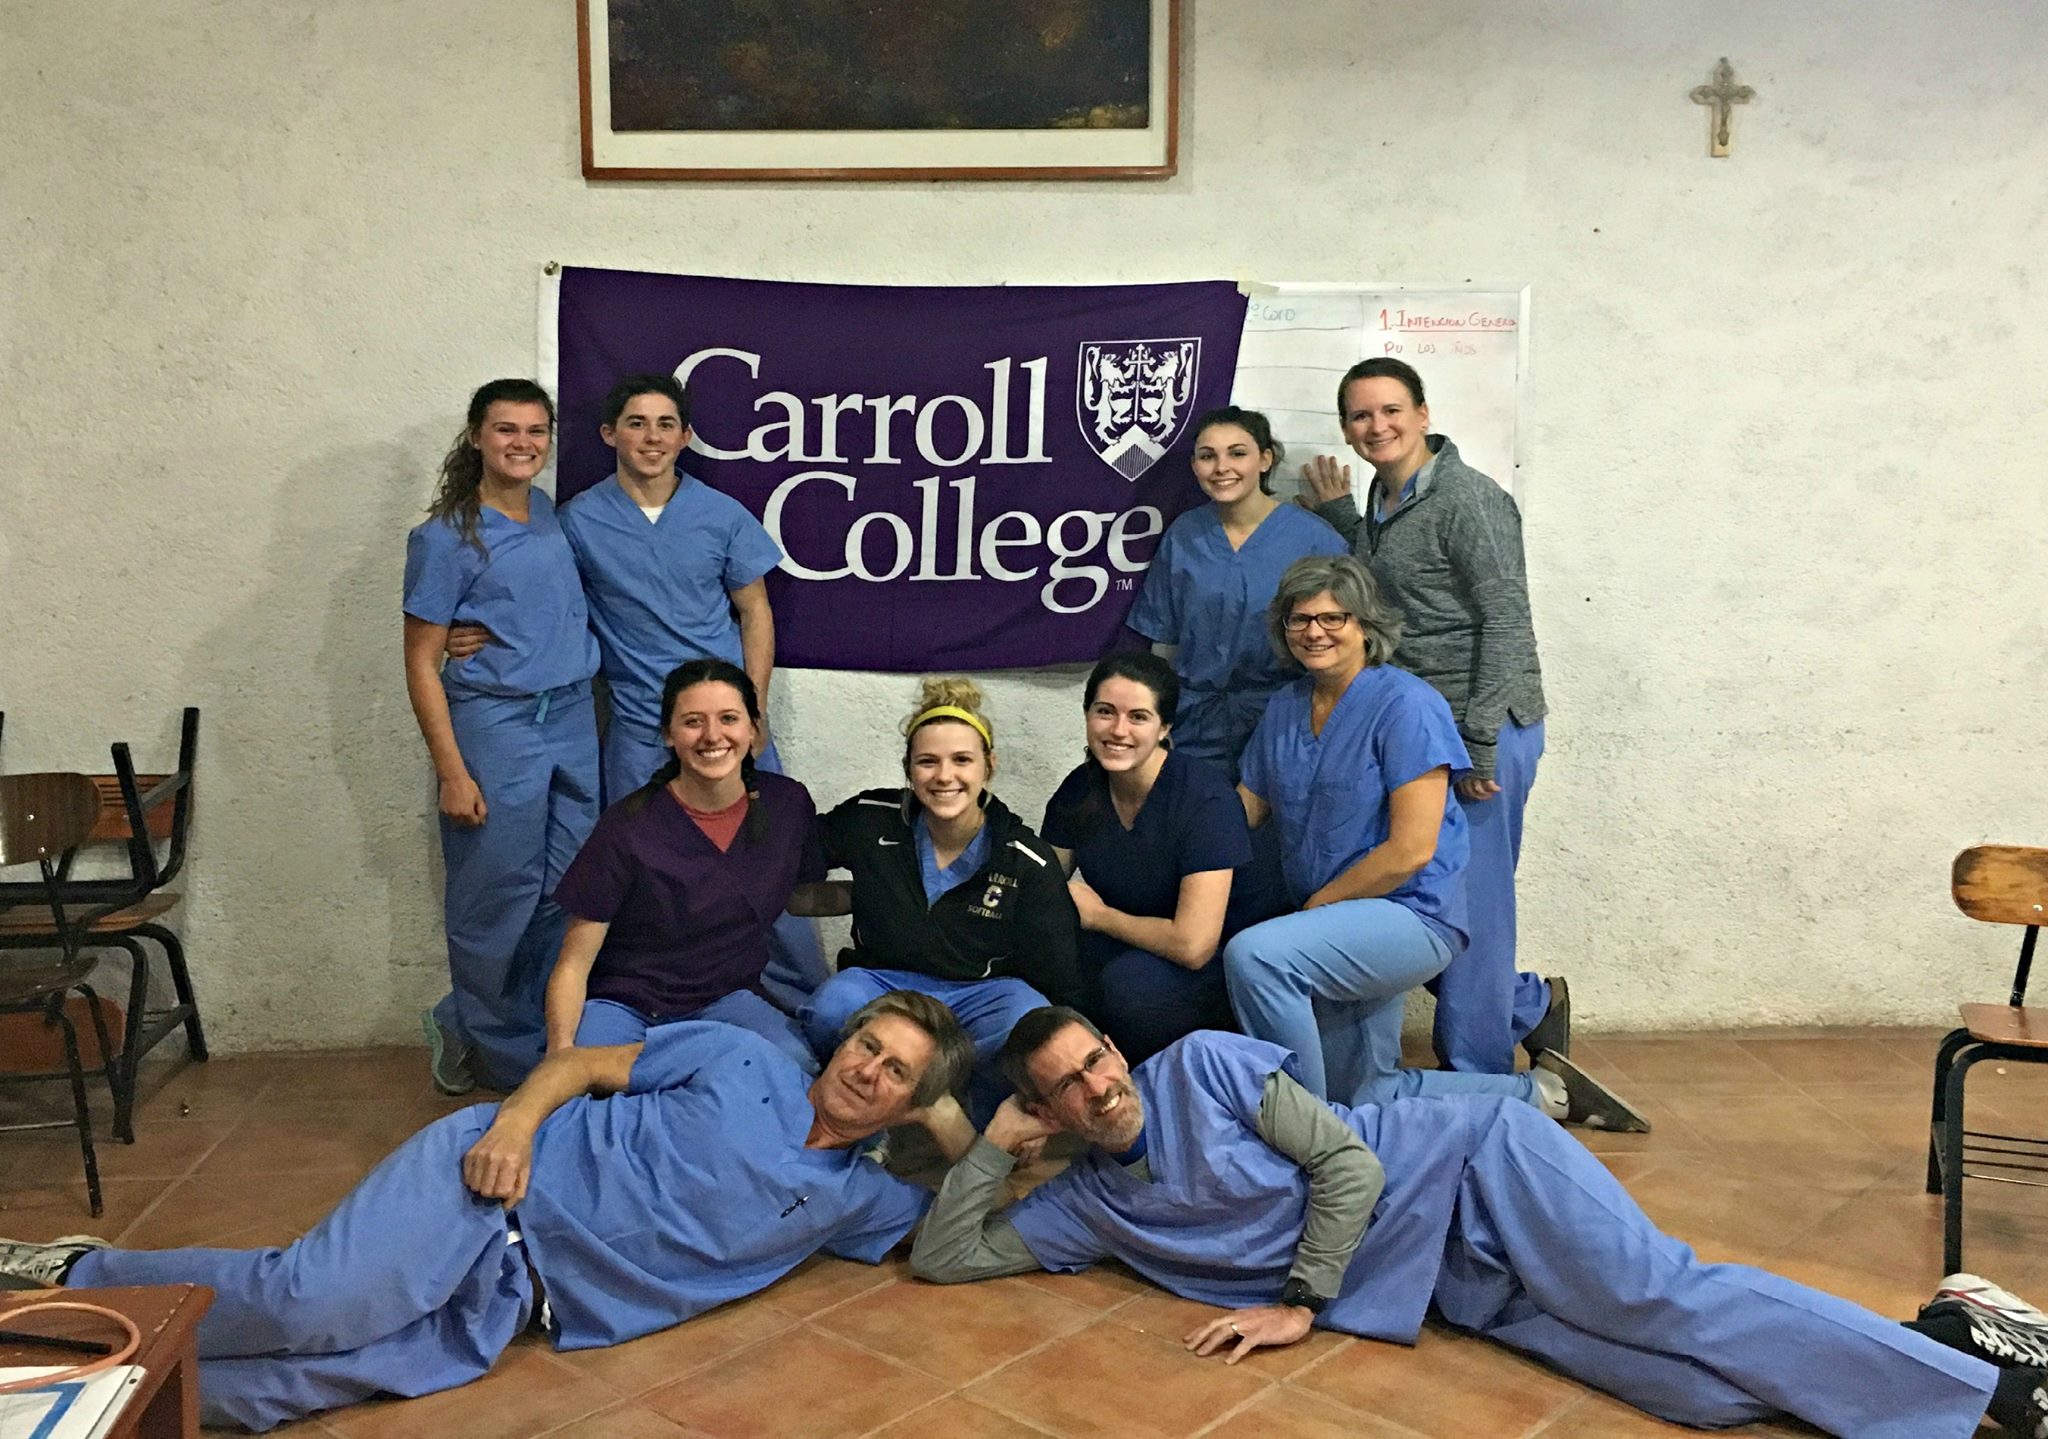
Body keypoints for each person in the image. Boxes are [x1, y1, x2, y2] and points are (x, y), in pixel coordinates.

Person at [909, 1007, 2048, 1439]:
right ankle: (1947, 1334)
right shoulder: (1088, 1206)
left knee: (1652, 1293)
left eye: (1096, 1058)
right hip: (1440, 1282)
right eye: (1063, 1085)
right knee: (1690, 1391)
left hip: (1471, 1167)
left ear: (1115, 1047)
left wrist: (1298, 1302)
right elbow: (948, 1255)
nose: (1099, 1085)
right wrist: (995, 1145)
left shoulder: (1201, 1066)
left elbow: (1347, 1161)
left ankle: (1991, 1389)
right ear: (1049, 1106)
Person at [0, 992, 977, 1433]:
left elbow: (954, 1231)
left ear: (908, 1103)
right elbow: (580, 1064)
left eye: (895, 1070)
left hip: (522, 1300)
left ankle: (67, 1388)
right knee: (312, 1299)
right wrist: (510, 1124)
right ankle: (73, 1279)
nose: (866, 1068)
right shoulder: (742, 1057)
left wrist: (953, 1119)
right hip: (490, 1185)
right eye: (866, 1044)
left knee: (298, 1385)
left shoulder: (859, 1199)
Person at [448, 371, 825, 1012]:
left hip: (724, 724)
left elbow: (756, 612)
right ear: (609, 434)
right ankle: (642, 1002)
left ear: (685, 436)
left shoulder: (720, 515)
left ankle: (798, 998)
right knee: (637, 877)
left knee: (764, 861)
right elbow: (538, 589)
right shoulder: (577, 520)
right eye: (636, 423)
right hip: (636, 723)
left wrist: (752, 709)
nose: (651, 437)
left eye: (666, 424)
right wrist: (472, 628)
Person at [1223, 555, 1636, 1126]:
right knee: (1364, 1092)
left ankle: (1309, 1136)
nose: (1314, 632)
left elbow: (1411, 850)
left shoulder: (1406, 704)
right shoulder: (1284, 710)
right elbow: (1244, 811)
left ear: (1366, 624)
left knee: (1258, 956)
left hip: (1409, 916)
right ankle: (1540, 1096)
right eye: (1299, 620)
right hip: (1333, 925)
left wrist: (1317, 908)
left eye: (1332, 617)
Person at [1302, 359, 1565, 1077]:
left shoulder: (1469, 500)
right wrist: (1340, 522)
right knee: (1427, 893)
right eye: (1360, 416)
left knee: (1472, 908)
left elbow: (1507, 621)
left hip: (1484, 727)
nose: (1376, 426)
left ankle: (1480, 1073)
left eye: (1390, 410)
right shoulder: (1386, 506)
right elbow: (1397, 587)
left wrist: (1479, 743)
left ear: (1423, 413)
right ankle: (1528, 1004)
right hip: (1431, 730)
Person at [403, 378, 601, 1095]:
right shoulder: (443, 537)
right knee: (496, 895)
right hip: (497, 724)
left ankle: (510, 1026)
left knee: (565, 889)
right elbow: (421, 660)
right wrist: (452, 769)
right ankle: (497, 1050)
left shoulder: (547, 513)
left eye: (535, 431)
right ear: (477, 437)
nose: (523, 444)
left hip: (574, 719)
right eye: (506, 430)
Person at [798, 677, 1086, 1116]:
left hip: (980, 992)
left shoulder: (1027, 860)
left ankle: (982, 1124)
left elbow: (1060, 978)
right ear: (909, 769)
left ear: (989, 765)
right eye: (927, 762)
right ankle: (860, 1119)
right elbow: (788, 855)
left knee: (1027, 1023)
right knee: (828, 1009)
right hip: (885, 982)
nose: (944, 776)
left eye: (962, 760)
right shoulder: (869, 819)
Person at [541, 659, 828, 1075]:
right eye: (693, 721)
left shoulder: (787, 806)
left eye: (729, 718)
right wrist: (561, 1057)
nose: (713, 736)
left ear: (753, 729)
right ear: (668, 735)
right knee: (592, 1091)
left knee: (796, 1072)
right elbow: (573, 963)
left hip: (726, 1001)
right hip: (628, 1005)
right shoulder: (629, 825)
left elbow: (804, 896)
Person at [1041, 652, 1280, 1065]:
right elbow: (1041, 884)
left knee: (1127, 988)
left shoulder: (1204, 798)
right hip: (1135, 940)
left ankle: (1165, 1088)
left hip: (1218, 958)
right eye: (1105, 712)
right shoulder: (1080, 788)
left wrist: (1099, 917)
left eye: (1138, 716)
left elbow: (1193, 945)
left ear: (1164, 727)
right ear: (1086, 715)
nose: (1118, 730)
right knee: (1047, 959)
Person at [1125, 405, 1348, 783]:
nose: (1221, 467)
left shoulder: (1313, 538)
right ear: (1194, 465)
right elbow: (1162, 643)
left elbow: (1348, 642)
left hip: (1284, 718)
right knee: (1200, 828)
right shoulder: (1185, 535)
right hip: (1196, 723)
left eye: (1237, 453)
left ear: (1265, 459)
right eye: (1207, 456)